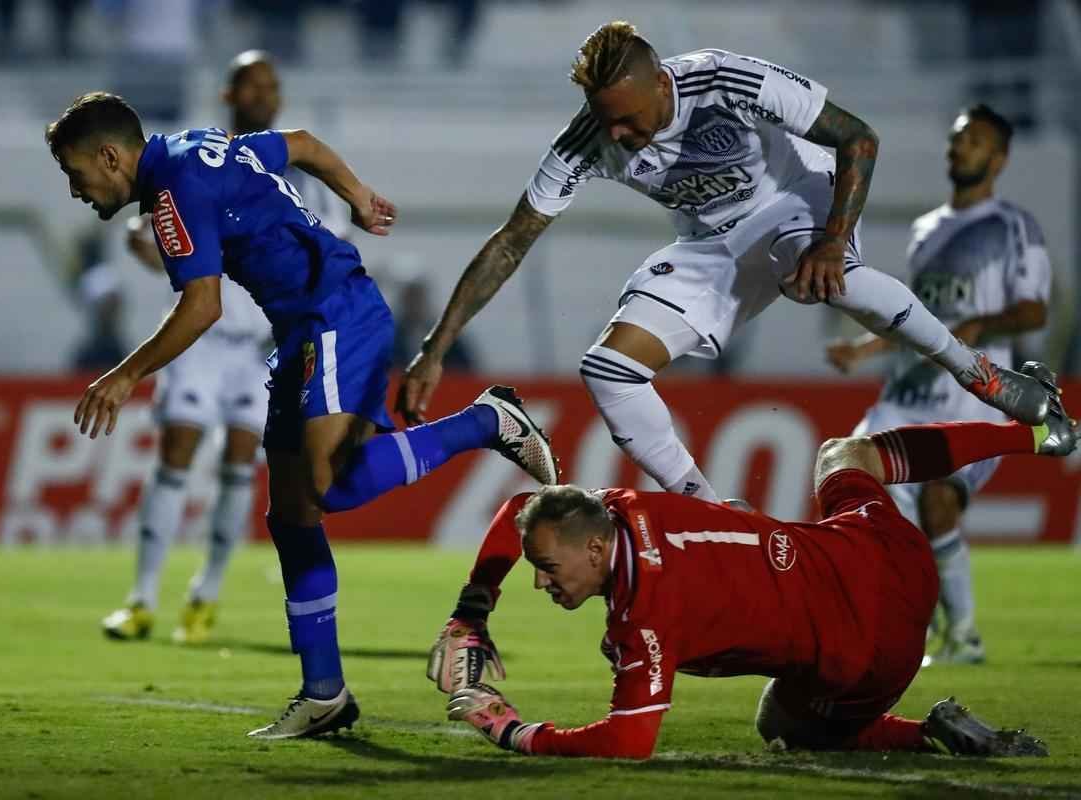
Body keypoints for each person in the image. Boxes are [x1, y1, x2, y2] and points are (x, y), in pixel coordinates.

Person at [45, 92, 558, 738]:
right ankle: (324, 694)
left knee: (328, 484)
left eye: (75, 174)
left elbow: (201, 307)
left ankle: (487, 422)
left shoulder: (173, 194)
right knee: (291, 514)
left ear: (109, 157)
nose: (75, 190)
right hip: (301, 330)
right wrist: (357, 195)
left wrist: (124, 376)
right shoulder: (195, 148)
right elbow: (304, 145)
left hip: (334, 314)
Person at [399, 20, 1054, 503]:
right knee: (607, 370)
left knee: (827, 279)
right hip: (710, 244)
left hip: (794, 202)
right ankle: (711, 512)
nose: (618, 136)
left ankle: (978, 375)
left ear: (662, 83)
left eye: (628, 120)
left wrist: (833, 238)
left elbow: (858, 137)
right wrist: (435, 347)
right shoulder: (587, 139)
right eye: (607, 122)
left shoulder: (725, 80)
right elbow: (511, 239)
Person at [427, 363, 1073, 759]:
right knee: (843, 455)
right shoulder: (619, 505)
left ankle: (920, 731)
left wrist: (511, 729)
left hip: (879, 660)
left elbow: (627, 743)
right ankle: (1036, 432)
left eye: (545, 566)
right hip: (891, 554)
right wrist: (473, 610)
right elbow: (526, 507)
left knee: (778, 720)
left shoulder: (642, 623)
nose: (538, 581)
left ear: (595, 549)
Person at [103, 51, 351, 647]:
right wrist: (154, 249)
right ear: (229, 94)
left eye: (272, 85)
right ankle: (142, 598)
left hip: (261, 345)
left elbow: (328, 252)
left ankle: (205, 595)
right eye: (252, 85)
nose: (264, 94)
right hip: (201, 339)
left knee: (241, 462)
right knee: (178, 450)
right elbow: (158, 244)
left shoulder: (300, 181)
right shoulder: (196, 159)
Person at [826, 105, 1050, 666]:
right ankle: (909, 627)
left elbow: (1033, 311)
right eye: (956, 139)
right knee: (861, 490)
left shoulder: (1014, 227)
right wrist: (863, 349)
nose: (959, 148)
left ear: (999, 158)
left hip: (970, 399)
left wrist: (978, 326)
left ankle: (964, 636)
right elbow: (913, 320)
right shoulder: (925, 229)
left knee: (939, 500)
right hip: (903, 398)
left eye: (973, 141)